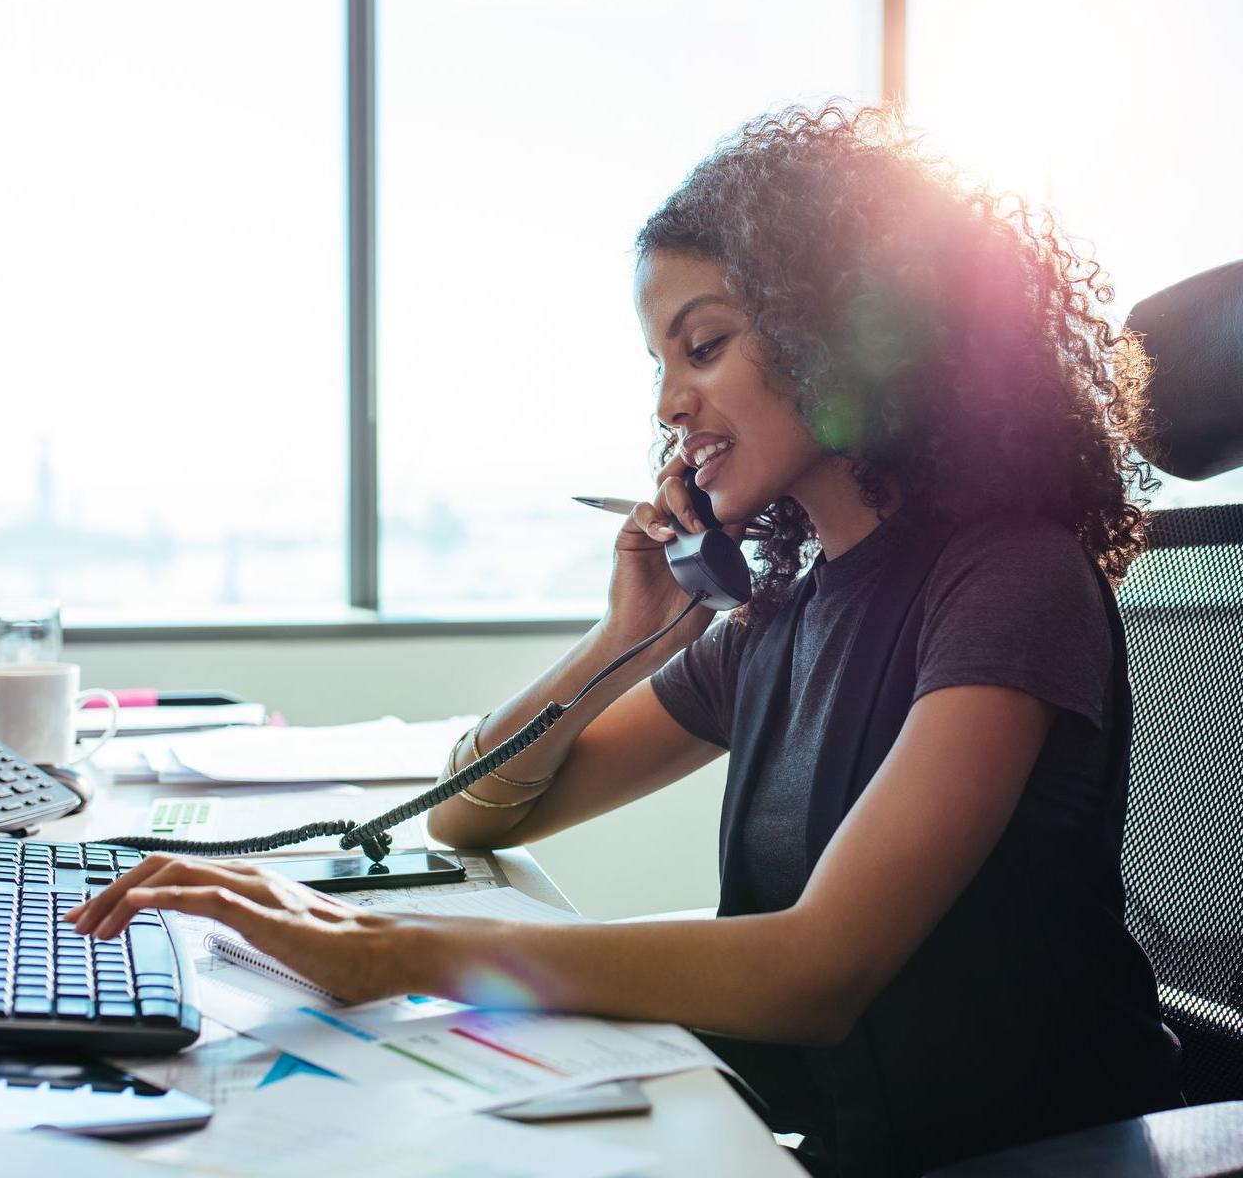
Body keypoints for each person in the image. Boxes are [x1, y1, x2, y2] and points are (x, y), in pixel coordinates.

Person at [69, 104, 1183, 1177]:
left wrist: (389, 949)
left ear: (839, 330)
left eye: (701, 345)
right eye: (660, 361)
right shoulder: (776, 619)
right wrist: (627, 633)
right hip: (826, 1135)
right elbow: (476, 810)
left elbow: (817, 970)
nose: (668, 403)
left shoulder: (1008, 580)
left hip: (1011, 1156)